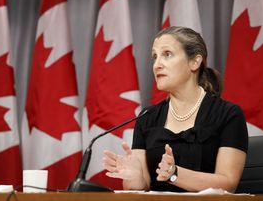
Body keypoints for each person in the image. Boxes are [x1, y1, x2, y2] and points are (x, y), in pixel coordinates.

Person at [102, 26, 248, 192]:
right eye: (154, 57)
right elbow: (139, 188)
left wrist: (174, 173)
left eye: (167, 54)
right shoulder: (147, 117)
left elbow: (228, 183)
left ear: (195, 62)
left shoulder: (227, 114)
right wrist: (135, 177)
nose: (157, 65)